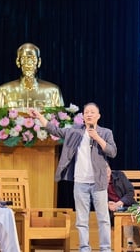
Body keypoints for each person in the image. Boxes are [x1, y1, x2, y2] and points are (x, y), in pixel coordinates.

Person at [29, 102, 117, 252]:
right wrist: (39, 117)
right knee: (82, 220)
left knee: (103, 219)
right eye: (86, 112)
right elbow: (54, 130)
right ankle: (84, 248)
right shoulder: (74, 131)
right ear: (83, 116)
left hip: (99, 182)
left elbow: (112, 152)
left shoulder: (105, 132)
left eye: (92, 112)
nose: (89, 114)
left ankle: (105, 248)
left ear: (98, 116)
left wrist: (97, 138)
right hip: (80, 182)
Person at [0, 42, 64, 109]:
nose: (28, 64)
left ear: (39, 62)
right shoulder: (4, 91)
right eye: (24, 59)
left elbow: (59, 117)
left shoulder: (53, 91)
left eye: (32, 59)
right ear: (18, 62)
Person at [106, 166, 140, 248]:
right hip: (110, 211)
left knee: (128, 215)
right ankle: (133, 245)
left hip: (128, 205)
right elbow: (94, 198)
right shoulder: (97, 180)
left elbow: (130, 192)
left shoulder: (120, 175)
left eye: (107, 172)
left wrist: (119, 203)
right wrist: (106, 204)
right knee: (123, 216)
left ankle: (131, 244)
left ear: (110, 170)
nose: (106, 176)